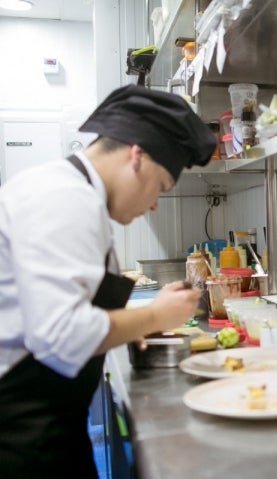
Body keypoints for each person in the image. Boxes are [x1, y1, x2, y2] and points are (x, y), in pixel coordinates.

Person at [0, 84, 216, 478]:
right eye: (161, 187)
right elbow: (61, 333)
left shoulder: (78, 195)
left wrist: (128, 327)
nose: (153, 203)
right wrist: (154, 316)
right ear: (137, 156)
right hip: (19, 433)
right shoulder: (64, 197)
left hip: (49, 422)